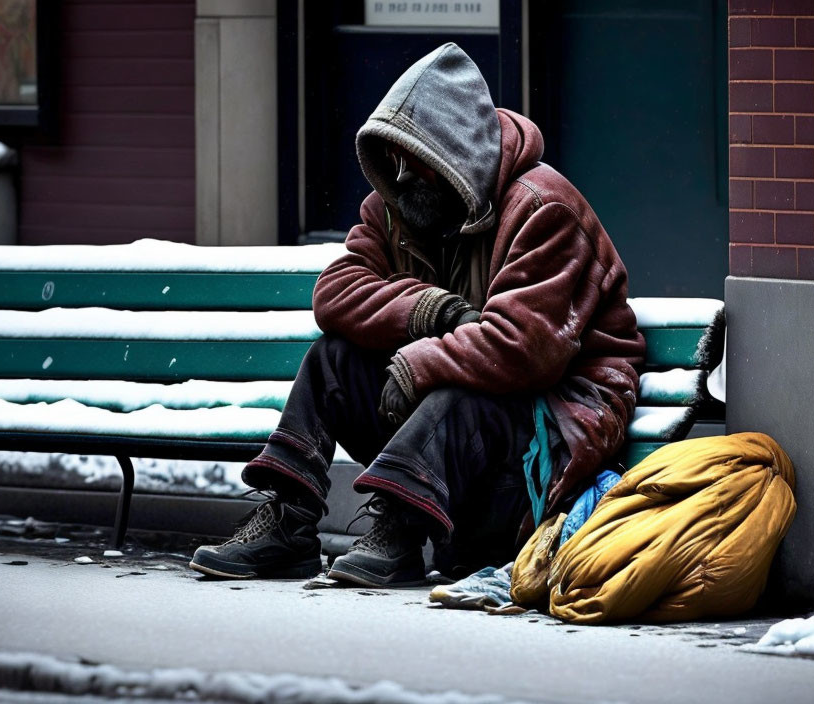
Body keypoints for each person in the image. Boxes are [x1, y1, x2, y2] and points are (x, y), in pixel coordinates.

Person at [189, 43, 645, 586]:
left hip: (550, 433)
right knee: (334, 358)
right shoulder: (397, 209)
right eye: (394, 158)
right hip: (460, 439)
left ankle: (399, 531)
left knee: (460, 393)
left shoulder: (544, 208)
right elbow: (334, 294)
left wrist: (419, 363)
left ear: (457, 154)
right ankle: (288, 523)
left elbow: (525, 350)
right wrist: (430, 311)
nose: (402, 176)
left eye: (417, 159)